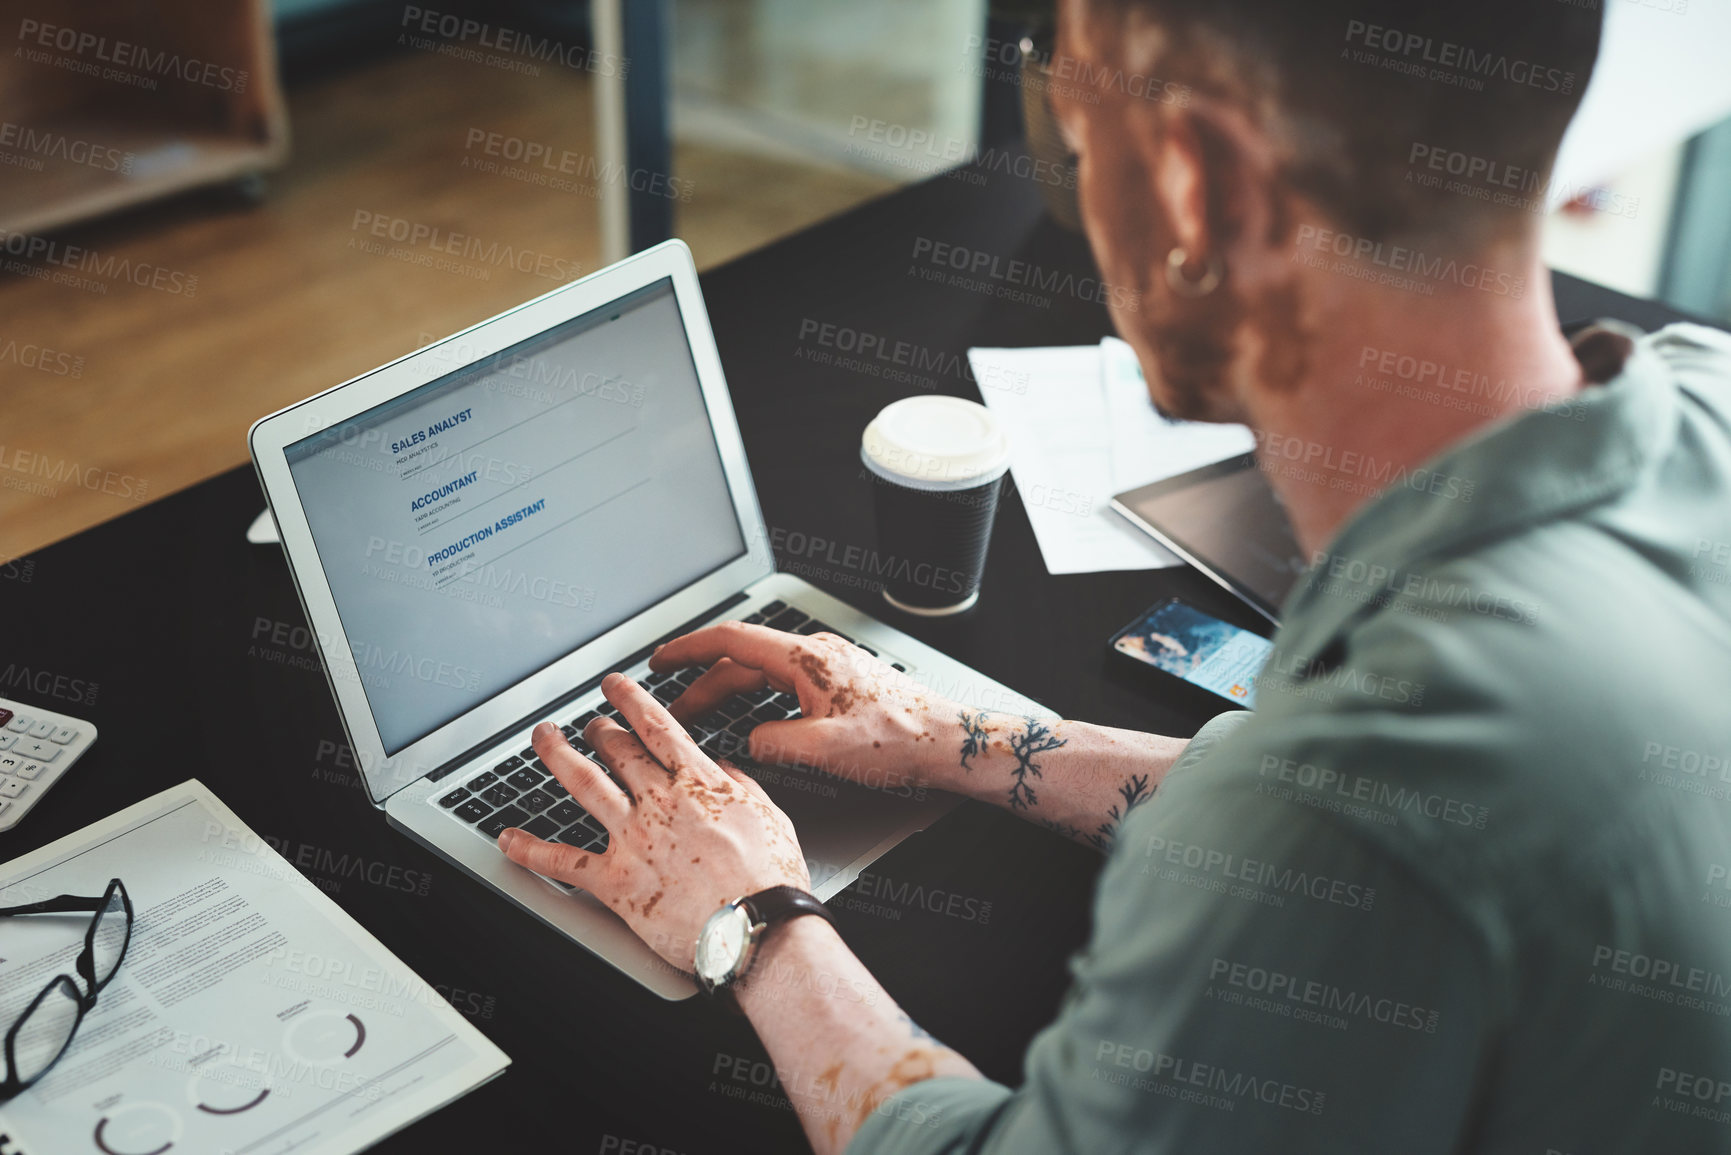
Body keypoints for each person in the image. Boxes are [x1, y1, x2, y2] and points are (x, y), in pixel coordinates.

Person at [498, 0, 1731, 1150]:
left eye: (1087, 145)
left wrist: (752, 920)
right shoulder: (1704, 393)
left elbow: (1355, 828)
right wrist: (957, 737)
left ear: (1192, 187)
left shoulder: (1360, 806)